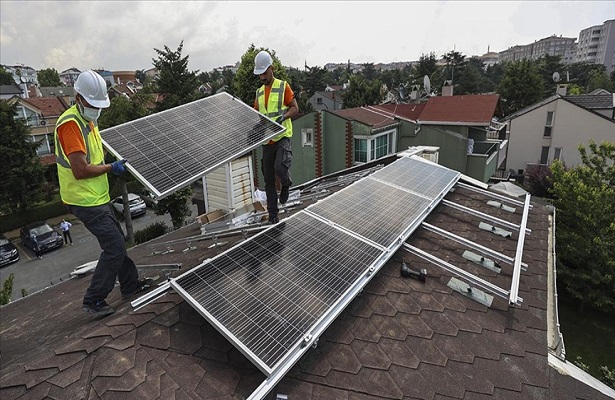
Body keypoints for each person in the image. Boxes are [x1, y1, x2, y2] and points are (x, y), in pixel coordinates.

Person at [54, 70, 150, 318]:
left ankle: (130, 285)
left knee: (116, 240)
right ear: (78, 98)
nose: (96, 109)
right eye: (92, 104)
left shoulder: (87, 120)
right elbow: (80, 169)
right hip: (83, 199)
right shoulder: (70, 125)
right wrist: (111, 167)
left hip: (97, 196)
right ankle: (94, 299)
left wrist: (110, 163)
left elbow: (94, 155)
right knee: (115, 247)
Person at [253, 50, 299, 224]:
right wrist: (254, 130)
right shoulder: (258, 94)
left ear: (271, 68)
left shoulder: (283, 86)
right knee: (269, 180)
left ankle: (286, 183)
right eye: (260, 74)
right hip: (267, 140)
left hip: (282, 136)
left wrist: (284, 116)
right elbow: (259, 117)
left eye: (264, 73)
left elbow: (295, 108)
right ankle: (273, 216)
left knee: (280, 168)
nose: (262, 77)